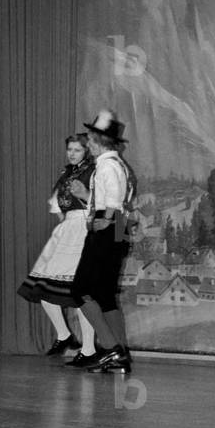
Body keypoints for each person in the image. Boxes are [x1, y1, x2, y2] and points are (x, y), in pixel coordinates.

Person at [17, 134, 99, 365]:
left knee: (81, 294)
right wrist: (65, 221)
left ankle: (89, 349)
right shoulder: (66, 173)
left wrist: (84, 199)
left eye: (77, 150)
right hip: (68, 230)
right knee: (43, 289)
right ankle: (64, 336)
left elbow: (103, 203)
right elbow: (55, 204)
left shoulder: (93, 171)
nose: (72, 154)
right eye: (70, 150)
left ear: (86, 152)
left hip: (84, 228)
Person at [70, 110, 136, 374]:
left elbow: (115, 203)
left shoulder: (107, 165)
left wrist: (106, 220)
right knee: (106, 294)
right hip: (117, 226)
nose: (89, 143)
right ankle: (120, 352)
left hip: (111, 224)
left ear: (99, 141)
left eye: (91, 139)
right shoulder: (115, 164)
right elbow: (113, 202)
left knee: (80, 289)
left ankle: (110, 348)